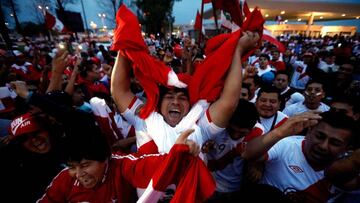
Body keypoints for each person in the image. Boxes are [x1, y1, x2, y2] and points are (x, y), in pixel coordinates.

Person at [111, 31, 260, 154]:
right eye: (169, 96)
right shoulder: (143, 117)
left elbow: (228, 102)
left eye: (182, 98)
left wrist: (238, 51)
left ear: (190, 105)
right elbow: (119, 90)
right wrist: (126, 39)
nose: (175, 101)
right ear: (158, 102)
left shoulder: (200, 125)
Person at [37, 129, 214, 203]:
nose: (78, 174)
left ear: (105, 158)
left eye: (85, 165)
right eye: (72, 167)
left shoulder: (121, 166)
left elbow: (151, 165)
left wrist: (180, 154)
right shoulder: (62, 180)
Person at [242, 111, 355, 202]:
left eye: (335, 143)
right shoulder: (287, 145)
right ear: (310, 131)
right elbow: (247, 153)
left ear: (347, 148)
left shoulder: (349, 169)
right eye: (320, 136)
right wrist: (280, 132)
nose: (323, 146)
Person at [204, 100, 264, 202]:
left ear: (252, 128)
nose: (235, 135)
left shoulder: (258, 132)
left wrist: (258, 163)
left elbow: (262, 155)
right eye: (232, 130)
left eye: (242, 133)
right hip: (208, 187)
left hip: (237, 189)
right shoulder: (214, 128)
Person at [0, 112, 65, 202]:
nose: (33, 139)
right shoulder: (25, 174)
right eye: (24, 138)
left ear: (47, 129)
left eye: (35, 132)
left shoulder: (70, 145)